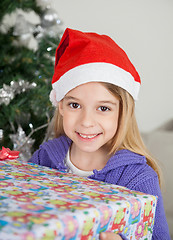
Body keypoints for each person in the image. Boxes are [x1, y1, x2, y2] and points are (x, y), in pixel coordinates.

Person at [29, 28, 170, 240]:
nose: (86, 122)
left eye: (103, 108)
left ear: (122, 113)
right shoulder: (44, 158)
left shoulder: (138, 180)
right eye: (75, 104)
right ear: (60, 106)